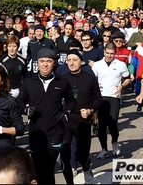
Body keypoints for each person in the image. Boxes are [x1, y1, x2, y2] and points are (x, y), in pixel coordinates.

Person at [17, 48, 76, 184]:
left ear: (54, 63)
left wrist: (66, 112)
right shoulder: (29, 82)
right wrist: (26, 110)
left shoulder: (62, 81)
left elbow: (72, 101)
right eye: (42, 61)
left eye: (48, 61)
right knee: (38, 169)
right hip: (36, 131)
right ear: (37, 63)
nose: (45, 64)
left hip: (55, 131)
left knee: (48, 167)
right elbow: (19, 102)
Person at [61, 50, 102, 185]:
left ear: (81, 61)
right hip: (66, 121)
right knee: (65, 153)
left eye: (75, 60)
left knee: (82, 153)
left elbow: (98, 99)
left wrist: (90, 111)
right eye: (69, 60)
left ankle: (86, 168)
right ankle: (70, 176)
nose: (71, 63)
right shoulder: (62, 78)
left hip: (83, 121)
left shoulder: (89, 78)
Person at [92, 43, 131, 159]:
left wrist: (122, 86)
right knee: (101, 125)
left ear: (115, 53)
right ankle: (103, 149)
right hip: (101, 97)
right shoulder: (97, 65)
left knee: (112, 122)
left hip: (114, 97)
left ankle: (115, 142)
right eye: (107, 53)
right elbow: (91, 79)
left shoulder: (121, 65)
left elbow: (128, 78)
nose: (109, 56)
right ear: (104, 52)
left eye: (112, 53)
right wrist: (95, 85)